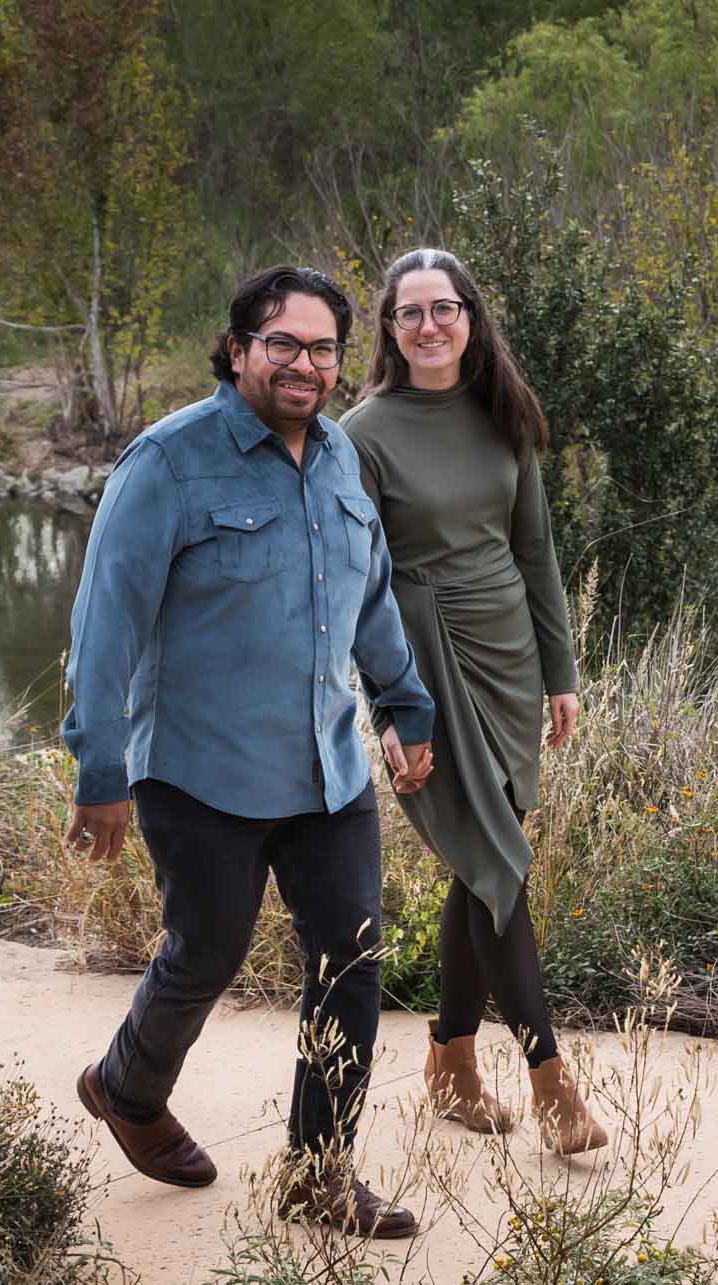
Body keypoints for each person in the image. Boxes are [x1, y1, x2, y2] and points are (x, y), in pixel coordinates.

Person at [61, 265, 437, 1238]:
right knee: (206, 952)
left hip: (326, 769)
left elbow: (368, 596)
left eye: (321, 348)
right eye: (283, 343)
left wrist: (402, 707)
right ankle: (126, 1088)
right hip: (198, 771)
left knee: (350, 960)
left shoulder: (343, 460)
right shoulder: (169, 464)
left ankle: (319, 1174)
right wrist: (97, 771)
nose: (303, 364)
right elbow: (105, 627)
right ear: (238, 351)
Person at [337, 248, 607, 1155]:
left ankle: (450, 1059)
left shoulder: (505, 414)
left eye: (442, 308)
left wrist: (560, 672)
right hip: (421, 660)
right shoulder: (363, 432)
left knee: (483, 864)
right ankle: (551, 1079)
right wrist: (387, 707)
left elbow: (536, 552)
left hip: (507, 656)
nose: (428, 326)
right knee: (501, 860)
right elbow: (359, 581)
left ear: (468, 315)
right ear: (388, 327)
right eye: (409, 313)